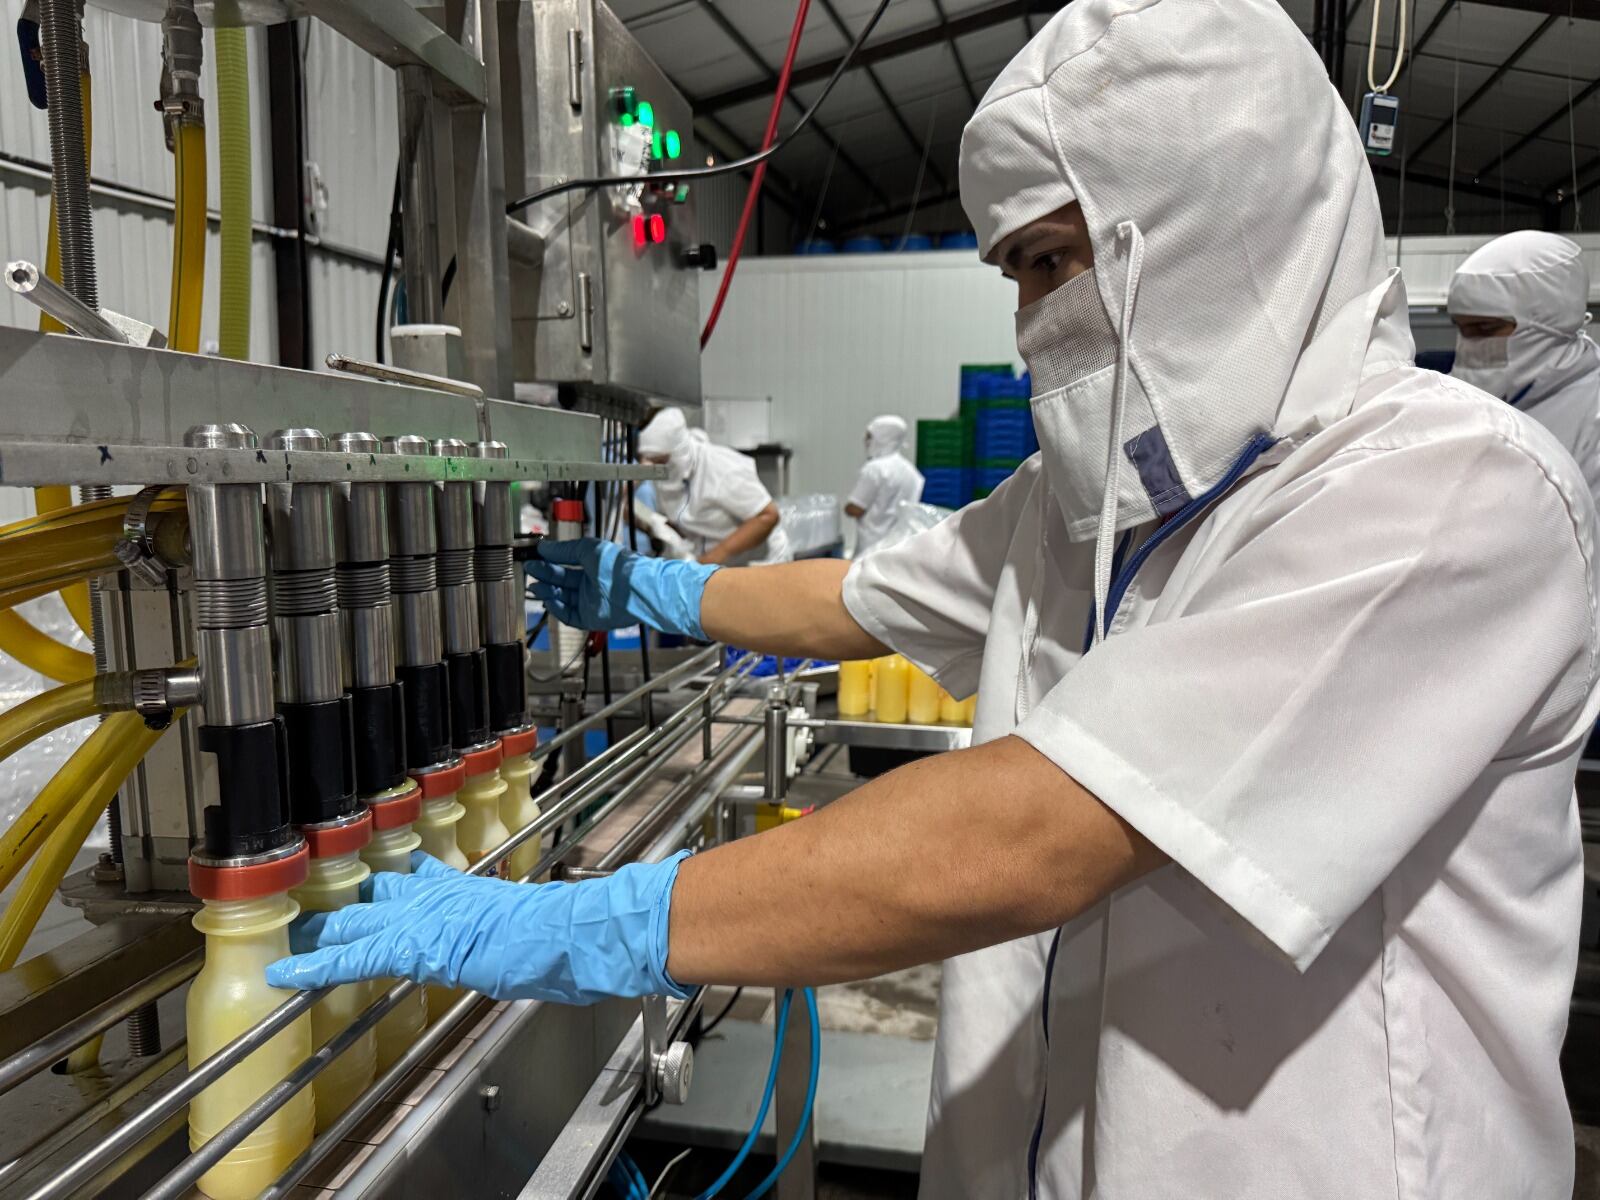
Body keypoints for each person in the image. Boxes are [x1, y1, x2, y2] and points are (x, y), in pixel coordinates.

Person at [268, 3, 1598, 1196]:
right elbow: (858, 600)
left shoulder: (1442, 491)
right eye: (1011, 272)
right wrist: (653, 588)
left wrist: (596, 920)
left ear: (1212, 218)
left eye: (1052, 262)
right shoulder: (1083, 508)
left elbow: (1035, 836)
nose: (1031, 323)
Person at [1449, 230, 1600, 507]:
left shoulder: (1592, 413)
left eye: (1485, 329)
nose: (1468, 345)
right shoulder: (1454, 392)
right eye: (1461, 328)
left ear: (1553, 321)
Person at [636, 406, 791, 566]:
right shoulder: (668, 475)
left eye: (662, 461)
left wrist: (710, 560)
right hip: (712, 564)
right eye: (653, 462)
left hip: (759, 562)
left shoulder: (720, 468)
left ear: (677, 451)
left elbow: (767, 516)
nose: (658, 468)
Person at [845, 414, 925, 557]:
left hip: (871, 549)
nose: (865, 441)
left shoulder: (875, 469)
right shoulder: (911, 472)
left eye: (870, 436)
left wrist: (847, 507)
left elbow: (856, 508)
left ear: (882, 437)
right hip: (898, 549)